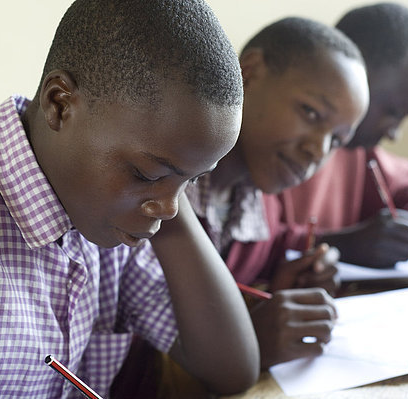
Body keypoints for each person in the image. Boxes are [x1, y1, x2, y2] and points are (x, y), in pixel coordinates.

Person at [0, 0, 260, 397]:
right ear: (59, 104)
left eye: (191, 183)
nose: (169, 208)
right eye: (147, 172)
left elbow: (232, 369)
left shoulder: (111, 224)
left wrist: (170, 184)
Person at [111, 15, 369, 396]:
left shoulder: (258, 203)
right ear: (249, 73)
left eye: (337, 140)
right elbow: (126, 357)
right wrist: (247, 341)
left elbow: (262, 256)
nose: (318, 150)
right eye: (311, 114)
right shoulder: (152, 193)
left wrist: (281, 282)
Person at [278, 2, 408, 268]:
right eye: (392, 111)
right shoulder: (278, 143)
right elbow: (254, 246)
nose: (394, 133)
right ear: (355, 72)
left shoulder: (357, 151)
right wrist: (342, 245)